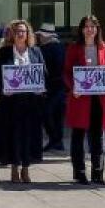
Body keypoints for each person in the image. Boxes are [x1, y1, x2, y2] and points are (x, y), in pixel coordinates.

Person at [0, 19, 46, 184]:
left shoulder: (36, 52)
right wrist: (4, 88)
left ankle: (26, 168)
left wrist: (41, 87)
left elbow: (43, 73)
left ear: (28, 34)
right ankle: (14, 167)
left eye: (23, 31)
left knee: (28, 135)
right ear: (12, 35)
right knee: (12, 135)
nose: (21, 34)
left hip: (30, 102)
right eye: (17, 31)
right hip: (10, 103)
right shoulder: (4, 52)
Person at [64, 15, 105, 186]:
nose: (90, 29)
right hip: (80, 99)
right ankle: (80, 173)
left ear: (97, 29)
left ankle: (98, 173)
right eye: (86, 26)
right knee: (78, 136)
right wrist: (73, 88)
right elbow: (66, 72)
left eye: (93, 26)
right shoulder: (74, 48)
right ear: (82, 29)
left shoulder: (104, 47)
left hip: (99, 99)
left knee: (98, 136)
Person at [36, 23, 67, 152]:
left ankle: (55, 140)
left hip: (52, 86)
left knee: (47, 113)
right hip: (59, 86)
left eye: (41, 35)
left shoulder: (49, 48)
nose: (40, 38)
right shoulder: (60, 47)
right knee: (56, 115)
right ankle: (57, 141)